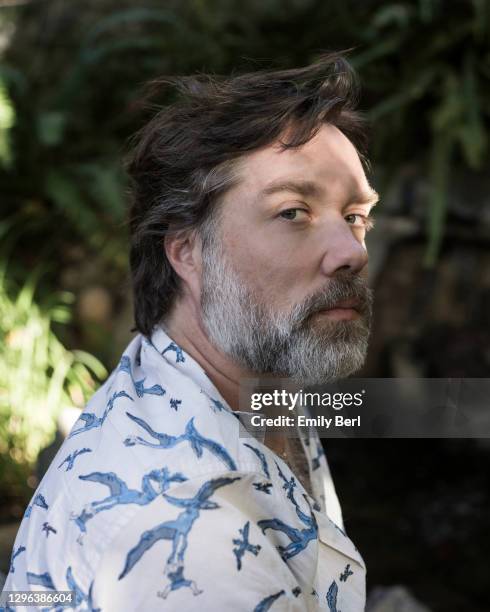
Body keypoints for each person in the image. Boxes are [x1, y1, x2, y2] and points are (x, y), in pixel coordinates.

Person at [3, 52, 377, 611]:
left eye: (354, 216)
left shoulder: (251, 384)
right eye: (293, 212)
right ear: (186, 250)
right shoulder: (190, 537)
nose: (352, 252)